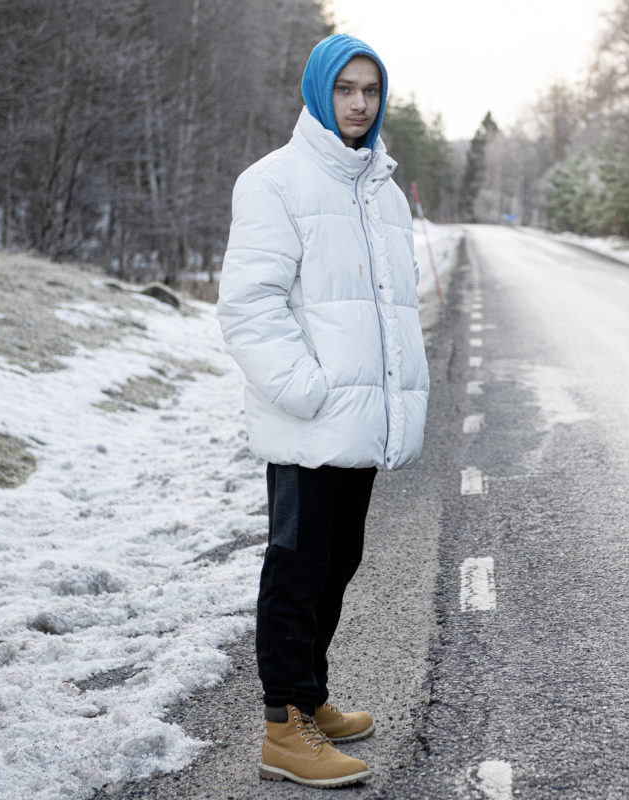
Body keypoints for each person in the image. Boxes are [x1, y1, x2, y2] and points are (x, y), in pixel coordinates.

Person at [216, 33, 428, 789]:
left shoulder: (382, 191)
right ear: (317, 93)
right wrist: (309, 391)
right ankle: (282, 729)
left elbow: (386, 306)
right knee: (297, 569)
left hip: (359, 424)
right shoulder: (274, 182)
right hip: (309, 421)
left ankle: (309, 698)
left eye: (370, 91)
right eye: (345, 90)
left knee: (337, 564)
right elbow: (249, 307)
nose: (359, 104)